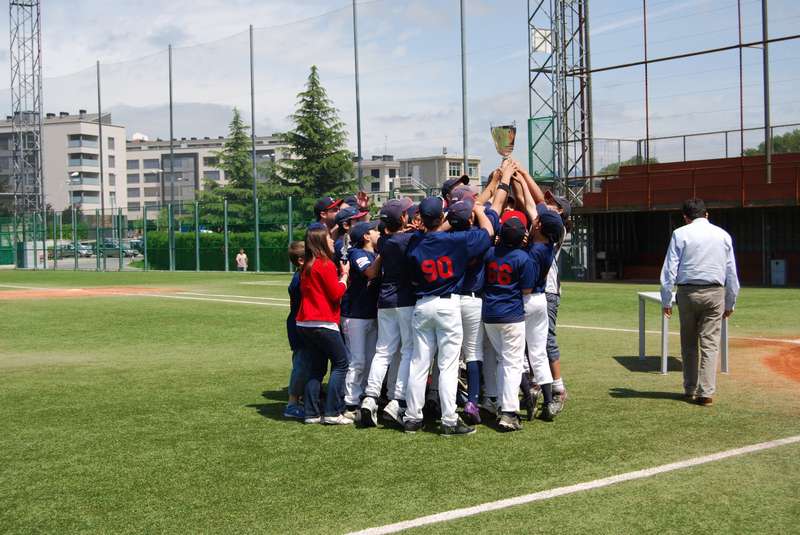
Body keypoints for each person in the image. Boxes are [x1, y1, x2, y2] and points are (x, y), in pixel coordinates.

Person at [403, 196, 494, 435]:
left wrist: (435, 224)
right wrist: (477, 209)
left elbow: (428, 236)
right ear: (442, 217)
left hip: (422, 305)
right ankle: (449, 420)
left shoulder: (414, 241)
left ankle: (412, 417)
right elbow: (488, 232)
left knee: (419, 363)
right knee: (448, 365)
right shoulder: (457, 240)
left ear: (421, 218)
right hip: (447, 305)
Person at [659, 198, 740, 406]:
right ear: (707, 214)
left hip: (687, 292)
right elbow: (731, 272)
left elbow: (670, 269)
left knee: (688, 343)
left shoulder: (680, 234)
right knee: (710, 344)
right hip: (715, 292)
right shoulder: (723, 235)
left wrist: (666, 299)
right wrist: (730, 302)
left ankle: (689, 388)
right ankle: (706, 392)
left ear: (686, 218)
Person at [361, 199, 416, 427]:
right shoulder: (410, 238)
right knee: (407, 351)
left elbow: (390, 237)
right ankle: (397, 400)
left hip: (385, 300)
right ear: (403, 218)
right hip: (405, 300)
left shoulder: (384, 240)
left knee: (383, 351)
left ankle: (370, 397)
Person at [481, 210, 534, 431]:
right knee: (512, 364)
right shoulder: (524, 257)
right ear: (522, 237)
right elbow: (527, 289)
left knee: (503, 361)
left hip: (490, 313)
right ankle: (509, 413)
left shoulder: (490, 253)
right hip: (511, 314)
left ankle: (502, 404)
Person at [295, 226, 352, 425]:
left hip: (305, 322)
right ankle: (333, 411)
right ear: (321, 241)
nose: (331, 241)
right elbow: (336, 293)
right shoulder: (325, 264)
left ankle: (311, 412)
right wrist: (344, 277)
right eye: (328, 238)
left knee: (316, 368)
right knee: (341, 363)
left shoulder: (307, 265)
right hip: (322, 321)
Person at [342, 220, 381, 416]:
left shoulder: (373, 253)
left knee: (371, 359)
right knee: (357, 360)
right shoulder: (357, 253)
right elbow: (370, 272)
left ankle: (365, 397)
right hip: (355, 314)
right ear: (366, 236)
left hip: (370, 313)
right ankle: (350, 402)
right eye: (374, 230)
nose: (378, 232)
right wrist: (385, 252)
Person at [542, 190, 572, 403]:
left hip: (548, 290)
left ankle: (558, 386)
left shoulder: (558, 227)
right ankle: (537, 382)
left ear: (561, 211)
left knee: (547, 338)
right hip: (537, 290)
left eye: (553, 203)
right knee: (533, 340)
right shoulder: (542, 224)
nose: (547, 204)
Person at [284, 241, 308, 419]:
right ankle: (292, 403)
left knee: (306, 363)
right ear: (301, 260)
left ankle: (302, 399)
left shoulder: (302, 274)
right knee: (300, 364)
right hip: (299, 325)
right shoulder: (300, 278)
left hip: (300, 323)